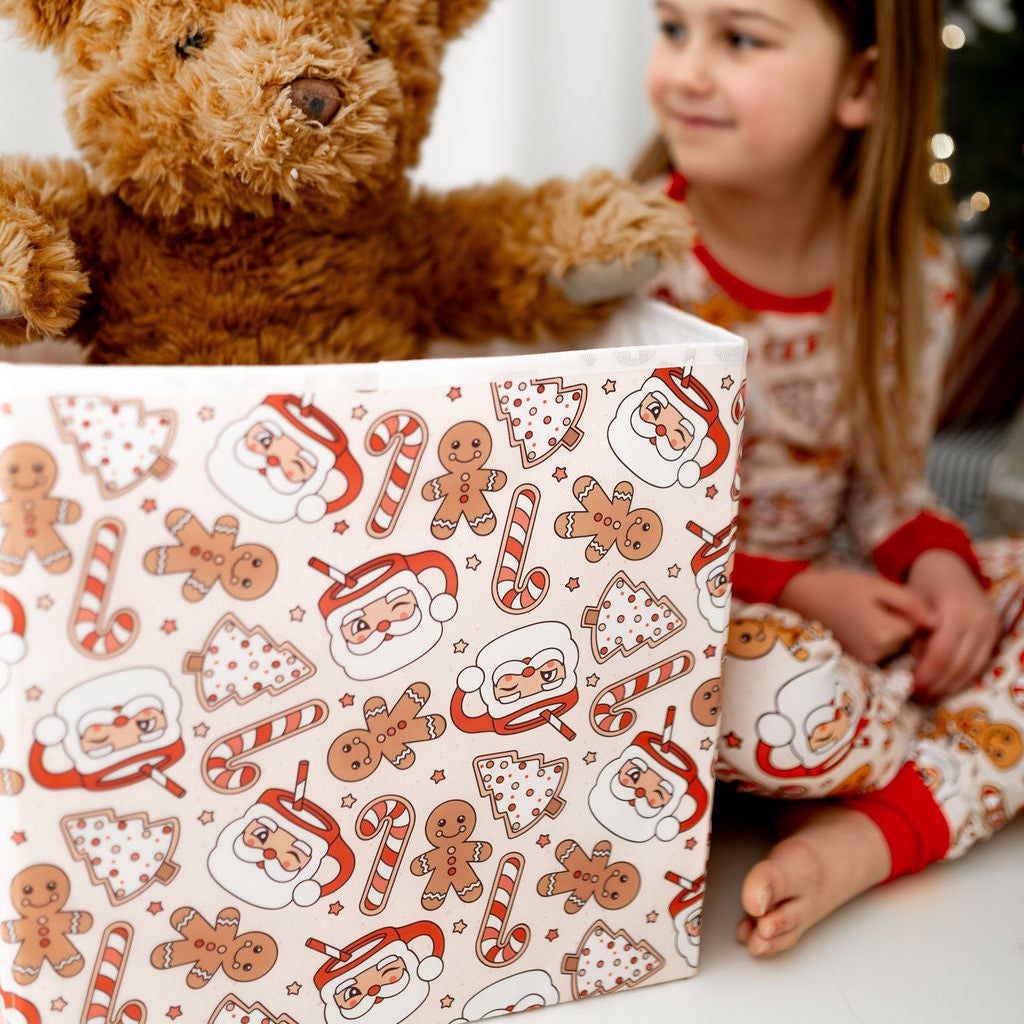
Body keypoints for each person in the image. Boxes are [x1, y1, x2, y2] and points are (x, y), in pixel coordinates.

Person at [635, 0, 1024, 957]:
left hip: (838, 620)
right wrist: (802, 590)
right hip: (686, 628)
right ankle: (915, 764)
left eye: (738, 38)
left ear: (859, 85)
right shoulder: (632, 271)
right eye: (673, 27)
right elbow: (613, 538)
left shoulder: (912, 276)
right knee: (790, 697)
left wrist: (939, 572)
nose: (684, 71)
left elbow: (886, 489)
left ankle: (860, 831)